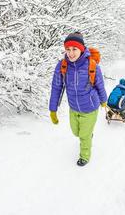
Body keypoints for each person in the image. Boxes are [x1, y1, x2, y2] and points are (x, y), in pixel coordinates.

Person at [49, 32, 107, 166]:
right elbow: (56, 87)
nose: (71, 53)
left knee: (83, 136)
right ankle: (88, 135)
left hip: (90, 107)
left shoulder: (92, 65)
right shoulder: (62, 65)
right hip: (73, 107)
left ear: (81, 49)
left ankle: (85, 156)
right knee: (76, 132)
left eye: (74, 49)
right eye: (68, 49)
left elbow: (100, 85)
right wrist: (53, 109)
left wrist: (104, 100)